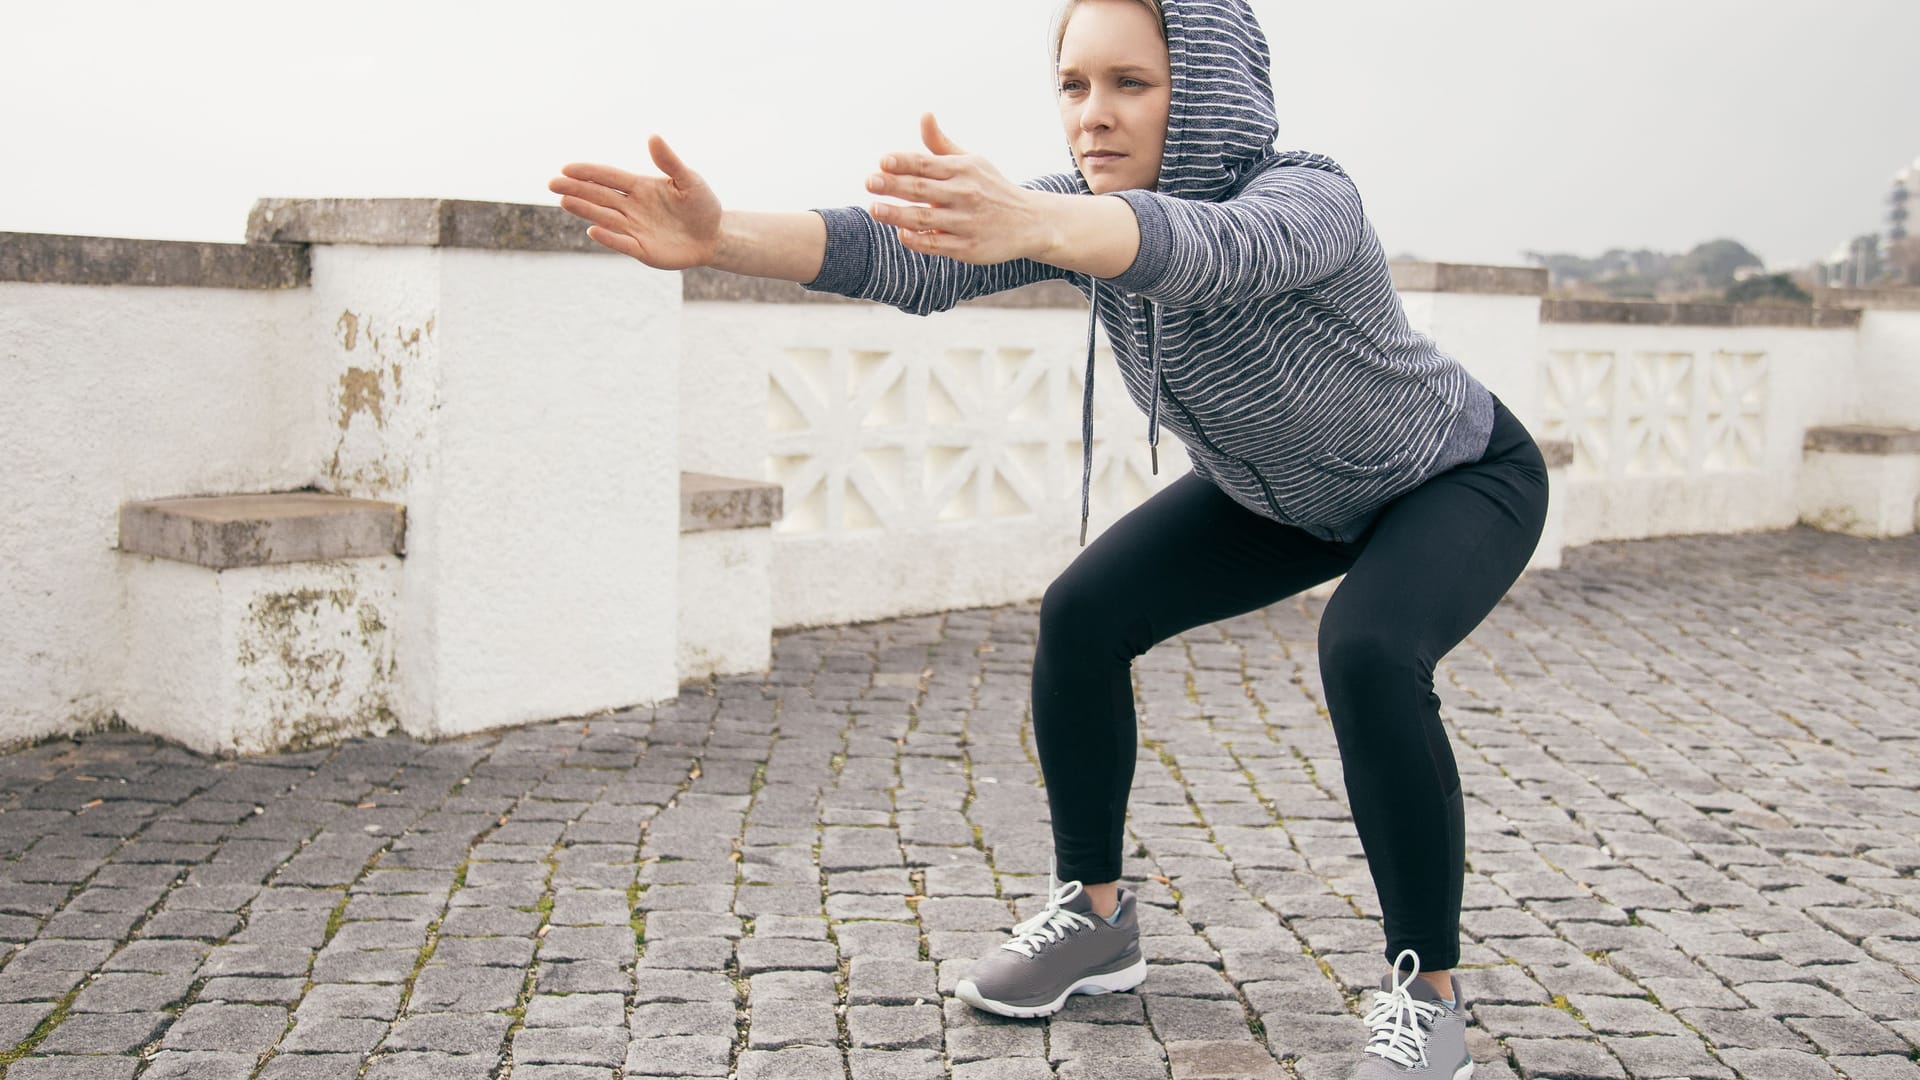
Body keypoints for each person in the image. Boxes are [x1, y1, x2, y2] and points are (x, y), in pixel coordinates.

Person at [551, 0, 1545, 1075]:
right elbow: (907, 257)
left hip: (1451, 475)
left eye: (1132, 83)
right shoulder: (1076, 211)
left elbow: (1211, 249)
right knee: (1083, 615)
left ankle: (1428, 995)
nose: (1094, 116)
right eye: (1074, 85)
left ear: (1208, 88)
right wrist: (720, 238)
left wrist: (1036, 223)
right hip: (1283, 496)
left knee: (1368, 650)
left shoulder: (1310, 198)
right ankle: (1096, 921)